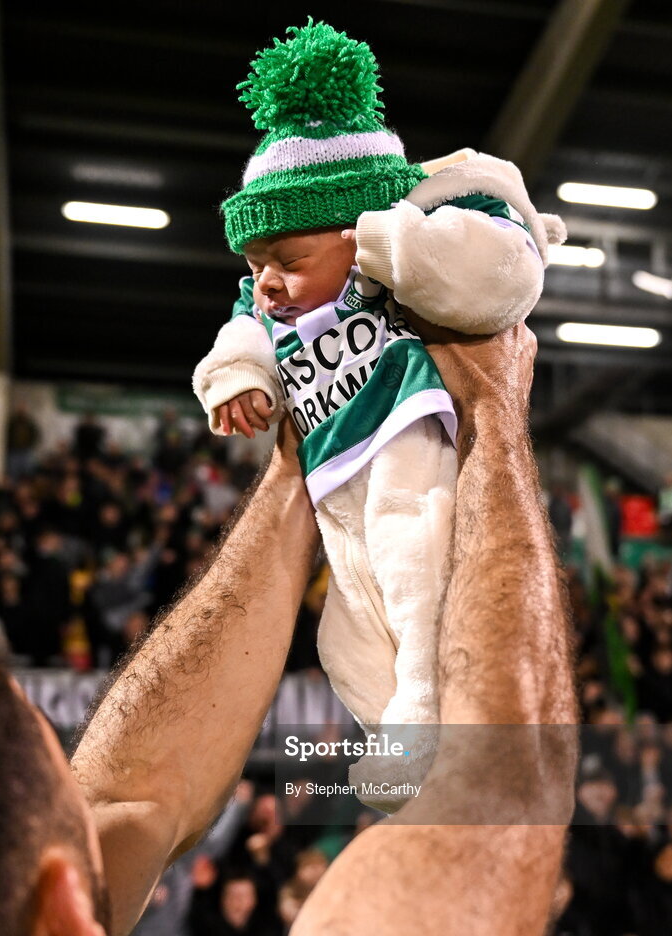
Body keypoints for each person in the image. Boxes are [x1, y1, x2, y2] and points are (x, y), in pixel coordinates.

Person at [0, 306, 576, 936]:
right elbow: (502, 784)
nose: (84, 792)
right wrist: (493, 418)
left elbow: (130, 798)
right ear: (66, 911)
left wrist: (306, 458)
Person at [193, 20, 565, 807]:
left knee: (414, 570)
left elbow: (502, 266)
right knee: (346, 636)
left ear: (353, 230)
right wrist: (236, 379)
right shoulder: (272, 302)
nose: (266, 283)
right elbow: (239, 331)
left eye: (288, 263)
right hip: (333, 481)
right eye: (256, 264)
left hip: (407, 446)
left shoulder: (390, 259)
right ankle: (398, 737)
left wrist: (404, 248)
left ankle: (426, 717)